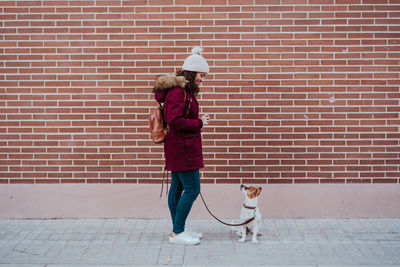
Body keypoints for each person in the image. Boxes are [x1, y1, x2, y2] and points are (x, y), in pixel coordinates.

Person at [153, 47, 210, 245]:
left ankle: (180, 228)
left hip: (180, 146)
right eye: (202, 75)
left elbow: (178, 118)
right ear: (193, 73)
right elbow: (175, 120)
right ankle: (178, 232)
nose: (203, 79)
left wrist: (197, 119)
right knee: (192, 189)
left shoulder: (182, 91)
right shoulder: (178, 92)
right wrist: (199, 123)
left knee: (177, 189)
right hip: (182, 148)